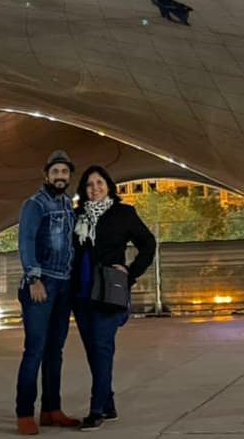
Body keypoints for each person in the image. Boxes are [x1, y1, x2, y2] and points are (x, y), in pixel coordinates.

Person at [72, 166, 156, 431]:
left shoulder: (123, 213)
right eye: (89, 184)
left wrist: (130, 272)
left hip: (108, 292)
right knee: (93, 351)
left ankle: (96, 409)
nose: (95, 188)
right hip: (81, 293)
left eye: (99, 183)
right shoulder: (76, 217)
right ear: (83, 190)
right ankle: (108, 404)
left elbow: (148, 243)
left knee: (101, 347)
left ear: (109, 186)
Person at [15, 151, 79, 435]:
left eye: (64, 172)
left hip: (63, 285)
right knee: (35, 350)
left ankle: (52, 410)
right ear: (47, 175)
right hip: (42, 284)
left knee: (55, 351)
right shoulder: (35, 204)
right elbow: (26, 240)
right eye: (55, 172)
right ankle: (24, 413)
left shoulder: (67, 203)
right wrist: (34, 278)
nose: (60, 177)